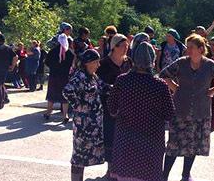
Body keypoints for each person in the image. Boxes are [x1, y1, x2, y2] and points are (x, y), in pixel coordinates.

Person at [160, 34, 214, 181]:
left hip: (201, 111)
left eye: (191, 47)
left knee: (193, 145)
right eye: (187, 47)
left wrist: (213, 90)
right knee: (173, 145)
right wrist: (175, 87)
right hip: (180, 110)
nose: (188, 50)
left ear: (201, 49)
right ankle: (164, 177)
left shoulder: (209, 65)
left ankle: (186, 175)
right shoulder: (181, 63)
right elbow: (164, 75)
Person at [108, 42, 175, 181]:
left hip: (125, 138)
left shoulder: (122, 81)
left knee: (125, 176)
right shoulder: (160, 85)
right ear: (152, 59)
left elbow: (112, 107)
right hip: (151, 141)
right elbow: (169, 114)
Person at [63, 49, 106, 181]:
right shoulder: (79, 76)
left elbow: (104, 87)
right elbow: (67, 91)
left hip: (93, 123)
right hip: (83, 124)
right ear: (88, 63)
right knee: (79, 155)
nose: (98, 65)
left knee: (85, 154)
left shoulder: (93, 76)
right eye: (96, 62)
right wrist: (79, 106)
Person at [96, 34, 132, 177]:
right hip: (108, 106)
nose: (126, 48)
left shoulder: (128, 62)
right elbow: (97, 83)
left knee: (123, 138)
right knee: (110, 138)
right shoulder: (104, 63)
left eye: (127, 46)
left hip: (126, 106)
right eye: (123, 46)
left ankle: (120, 170)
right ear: (114, 47)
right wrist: (109, 88)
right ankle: (110, 170)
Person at [44, 34, 75, 123]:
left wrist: (54, 67)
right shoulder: (69, 53)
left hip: (54, 75)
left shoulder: (52, 51)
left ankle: (48, 113)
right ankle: (65, 115)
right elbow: (72, 65)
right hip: (64, 77)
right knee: (64, 96)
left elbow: (47, 62)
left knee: (51, 95)